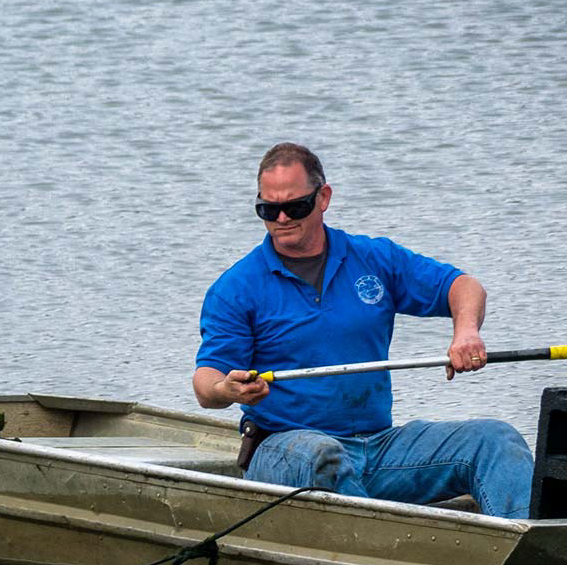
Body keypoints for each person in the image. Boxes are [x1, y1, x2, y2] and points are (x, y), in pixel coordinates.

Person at [193, 142, 534, 519]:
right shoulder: (237, 287)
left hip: (378, 447)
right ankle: (401, 548)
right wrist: (226, 388)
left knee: (494, 439)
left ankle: (528, 548)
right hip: (283, 449)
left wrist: (465, 332)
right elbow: (206, 383)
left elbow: (463, 286)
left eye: (296, 206)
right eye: (268, 209)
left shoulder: (373, 258)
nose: (283, 218)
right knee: (324, 456)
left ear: (323, 198)